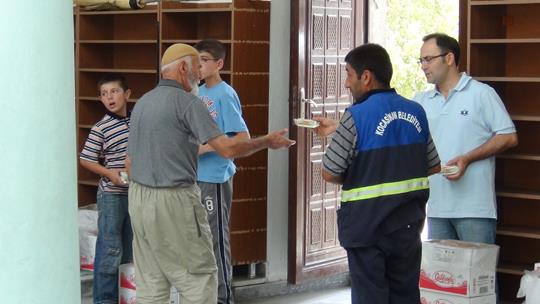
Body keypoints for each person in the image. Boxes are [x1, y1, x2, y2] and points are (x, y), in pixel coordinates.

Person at [126, 43, 294, 304]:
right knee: (199, 278)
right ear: (183, 68)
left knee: (152, 283)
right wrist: (266, 141)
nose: (198, 74)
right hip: (175, 198)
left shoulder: (143, 103)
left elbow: (128, 163)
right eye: (196, 67)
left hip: (138, 199)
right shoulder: (188, 102)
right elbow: (228, 148)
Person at [315, 44, 440, 304]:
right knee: (405, 296)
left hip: (366, 227)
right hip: (407, 226)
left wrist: (362, 175)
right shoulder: (416, 111)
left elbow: (329, 172)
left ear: (367, 77)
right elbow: (434, 165)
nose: (347, 84)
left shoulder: (355, 116)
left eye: (349, 74)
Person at [413, 33, 518, 245]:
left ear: (449, 58)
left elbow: (508, 136)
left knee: (479, 277)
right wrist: (343, 127)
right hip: (436, 208)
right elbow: (391, 124)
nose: (423, 66)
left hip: (475, 209)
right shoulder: (421, 101)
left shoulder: (481, 93)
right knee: (442, 278)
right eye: (421, 60)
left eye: (428, 59)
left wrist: (467, 158)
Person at [193, 39, 247, 304]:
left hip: (215, 177)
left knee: (216, 238)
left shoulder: (225, 94)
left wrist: (206, 148)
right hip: (194, 177)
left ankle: (224, 297)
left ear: (219, 64)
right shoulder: (197, 92)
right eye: (196, 60)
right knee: (200, 239)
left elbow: (241, 137)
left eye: (204, 59)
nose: (199, 65)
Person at [79, 73, 133, 304]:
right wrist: (110, 173)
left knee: (130, 249)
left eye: (114, 91)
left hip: (135, 193)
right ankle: (104, 300)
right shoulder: (101, 128)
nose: (109, 97)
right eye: (104, 94)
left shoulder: (136, 120)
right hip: (112, 196)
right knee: (110, 249)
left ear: (127, 94)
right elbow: (86, 159)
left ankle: (127, 296)